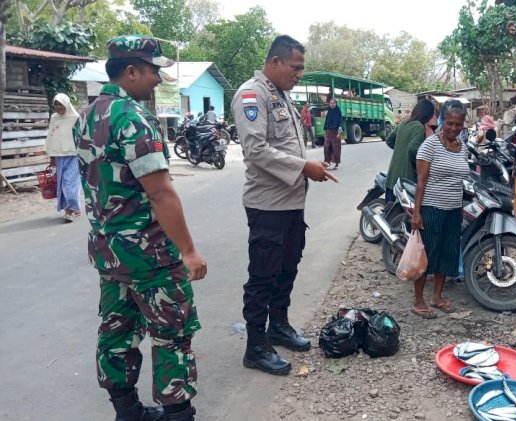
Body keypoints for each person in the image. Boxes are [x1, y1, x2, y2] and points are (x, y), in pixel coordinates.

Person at [74, 35, 207, 421]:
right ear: (131, 71)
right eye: (152, 72)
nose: (156, 80)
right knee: (172, 334)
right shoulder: (132, 117)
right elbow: (161, 194)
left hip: (107, 251)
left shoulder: (88, 115)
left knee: (117, 330)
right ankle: (178, 414)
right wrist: (188, 251)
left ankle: (127, 412)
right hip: (149, 255)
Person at [231, 35, 337, 375]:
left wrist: (306, 167)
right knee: (263, 275)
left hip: (291, 202)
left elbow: (287, 146)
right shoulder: (252, 94)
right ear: (275, 62)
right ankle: (255, 346)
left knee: (287, 267)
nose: (299, 74)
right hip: (268, 205)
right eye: (296, 67)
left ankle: (278, 325)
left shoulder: (281, 96)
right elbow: (256, 149)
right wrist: (304, 167)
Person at [410, 100, 470, 318]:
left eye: (458, 124)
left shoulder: (463, 147)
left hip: (454, 210)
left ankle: (436, 297)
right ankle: (418, 301)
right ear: (442, 121)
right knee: (427, 256)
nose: (454, 128)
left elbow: (460, 180)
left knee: (448, 254)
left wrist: (460, 207)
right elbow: (421, 181)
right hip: (432, 209)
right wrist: (417, 213)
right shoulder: (430, 145)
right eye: (450, 123)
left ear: (464, 123)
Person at [384, 99, 436, 203]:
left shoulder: (404, 123)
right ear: (427, 114)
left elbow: (389, 141)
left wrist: (401, 148)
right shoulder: (419, 127)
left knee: (389, 215)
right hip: (406, 179)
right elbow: (413, 149)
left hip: (392, 178)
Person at [45, 93, 82, 222]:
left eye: (61, 104)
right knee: (61, 184)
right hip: (59, 155)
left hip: (74, 155)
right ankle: (70, 209)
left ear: (66, 103)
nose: (58, 107)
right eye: (56, 104)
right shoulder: (54, 118)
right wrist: (50, 154)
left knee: (69, 183)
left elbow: (82, 136)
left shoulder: (76, 118)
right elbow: (51, 135)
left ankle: (72, 209)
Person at [323, 98, 343, 169]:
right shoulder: (329, 111)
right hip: (328, 131)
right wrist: (324, 130)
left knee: (336, 148)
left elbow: (340, 122)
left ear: (336, 104)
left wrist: (339, 133)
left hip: (335, 132)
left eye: (333, 103)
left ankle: (336, 163)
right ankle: (327, 162)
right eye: (331, 103)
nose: (332, 104)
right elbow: (326, 121)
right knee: (326, 147)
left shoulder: (338, 112)